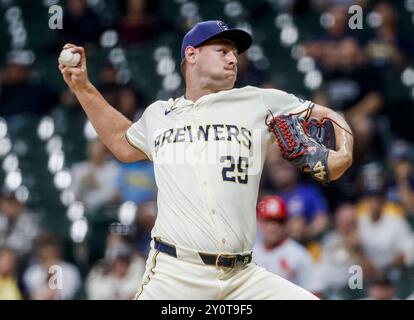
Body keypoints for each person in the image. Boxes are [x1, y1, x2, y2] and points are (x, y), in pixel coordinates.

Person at [59, 20, 353, 299]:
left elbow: (329, 117)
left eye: (235, 54)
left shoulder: (259, 101)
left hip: (243, 276)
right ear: (192, 54)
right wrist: (83, 88)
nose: (233, 60)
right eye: (222, 51)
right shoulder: (159, 114)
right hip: (176, 274)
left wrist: (343, 154)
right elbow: (122, 144)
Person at [253, 195, 319, 293]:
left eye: (279, 221)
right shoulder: (250, 252)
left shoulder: (299, 255)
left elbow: (315, 293)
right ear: (258, 222)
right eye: (267, 220)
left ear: (287, 223)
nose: (273, 226)